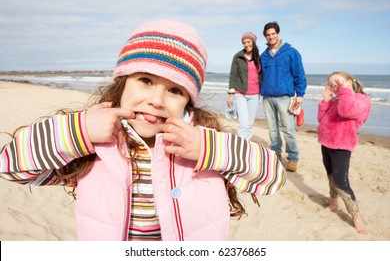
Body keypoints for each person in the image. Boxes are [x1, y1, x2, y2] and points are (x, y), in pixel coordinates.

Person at [0, 19, 286, 241]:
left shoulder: (201, 145)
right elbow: (12, 167)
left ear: (188, 101)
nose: (157, 101)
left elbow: (272, 178)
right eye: (146, 80)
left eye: (175, 90)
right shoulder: (95, 146)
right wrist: (81, 131)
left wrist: (208, 148)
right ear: (123, 83)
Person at [318, 71, 371, 235]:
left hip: (342, 145)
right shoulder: (336, 100)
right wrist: (326, 103)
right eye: (331, 84)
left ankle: (355, 215)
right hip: (326, 143)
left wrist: (345, 90)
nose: (334, 85)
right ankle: (334, 203)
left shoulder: (362, 100)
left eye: (337, 81)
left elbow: (347, 111)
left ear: (349, 81)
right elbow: (322, 119)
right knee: (330, 176)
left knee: (341, 181)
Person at [260, 21, 307, 172]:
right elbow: (260, 77)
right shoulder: (264, 56)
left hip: (285, 97)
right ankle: (276, 155)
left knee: (288, 129)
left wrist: (300, 94)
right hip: (267, 97)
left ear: (278, 34)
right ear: (265, 37)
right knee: (273, 130)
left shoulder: (291, 52)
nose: (271, 37)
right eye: (268, 35)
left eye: (273, 34)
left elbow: (299, 73)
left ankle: (293, 157)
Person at [227, 32, 262, 140]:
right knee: (244, 123)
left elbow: (263, 75)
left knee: (250, 123)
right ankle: (241, 146)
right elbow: (233, 75)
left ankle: (247, 145)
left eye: (248, 42)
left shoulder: (259, 58)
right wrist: (231, 95)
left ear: (253, 42)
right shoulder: (238, 57)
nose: (246, 44)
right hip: (240, 93)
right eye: (244, 42)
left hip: (255, 94)